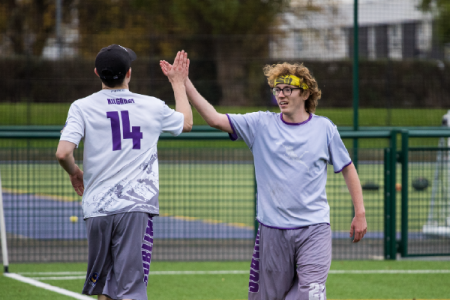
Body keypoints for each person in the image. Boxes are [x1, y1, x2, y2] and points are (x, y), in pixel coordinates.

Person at [160, 60, 367, 300]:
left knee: (312, 295)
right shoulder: (260, 124)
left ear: (306, 93)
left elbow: (348, 168)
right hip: (272, 231)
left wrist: (360, 212)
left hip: (314, 229)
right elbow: (215, 119)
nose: (281, 95)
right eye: (277, 90)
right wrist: (185, 83)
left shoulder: (325, 129)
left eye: (288, 89)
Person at [56, 45, 192, 300]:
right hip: (135, 207)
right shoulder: (152, 105)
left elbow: (63, 153)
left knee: (106, 288)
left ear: (97, 72)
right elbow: (186, 122)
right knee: (130, 290)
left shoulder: (81, 106)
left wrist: (74, 172)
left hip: (96, 208)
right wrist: (177, 82)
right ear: (129, 73)